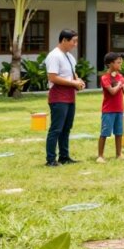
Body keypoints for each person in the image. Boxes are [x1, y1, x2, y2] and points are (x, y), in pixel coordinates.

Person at [44, 29, 85, 167]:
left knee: (66, 128)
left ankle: (64, 156)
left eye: (76, 41)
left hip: (70, 97)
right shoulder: (55, 56)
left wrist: (79, 81)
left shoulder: (69, 56)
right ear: (64, 40)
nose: (75, 44)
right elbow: (53, 77)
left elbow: (72, 75)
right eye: (73, 41)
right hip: (58, 97)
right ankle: (50, 159)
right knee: (56, 129)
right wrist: (73, 83)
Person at [97, 52, 124, 163]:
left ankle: (119, 154)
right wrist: (120, 84)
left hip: (119, 109)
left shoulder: (120, 77)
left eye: (121, 62)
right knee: (105, 133)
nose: (120, 64)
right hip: (108, 110)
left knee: (119, 133)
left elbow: (123, 92)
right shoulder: (105, 78)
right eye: (118, 62)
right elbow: (112, 92)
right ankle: (100, 156)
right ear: (110, 64)